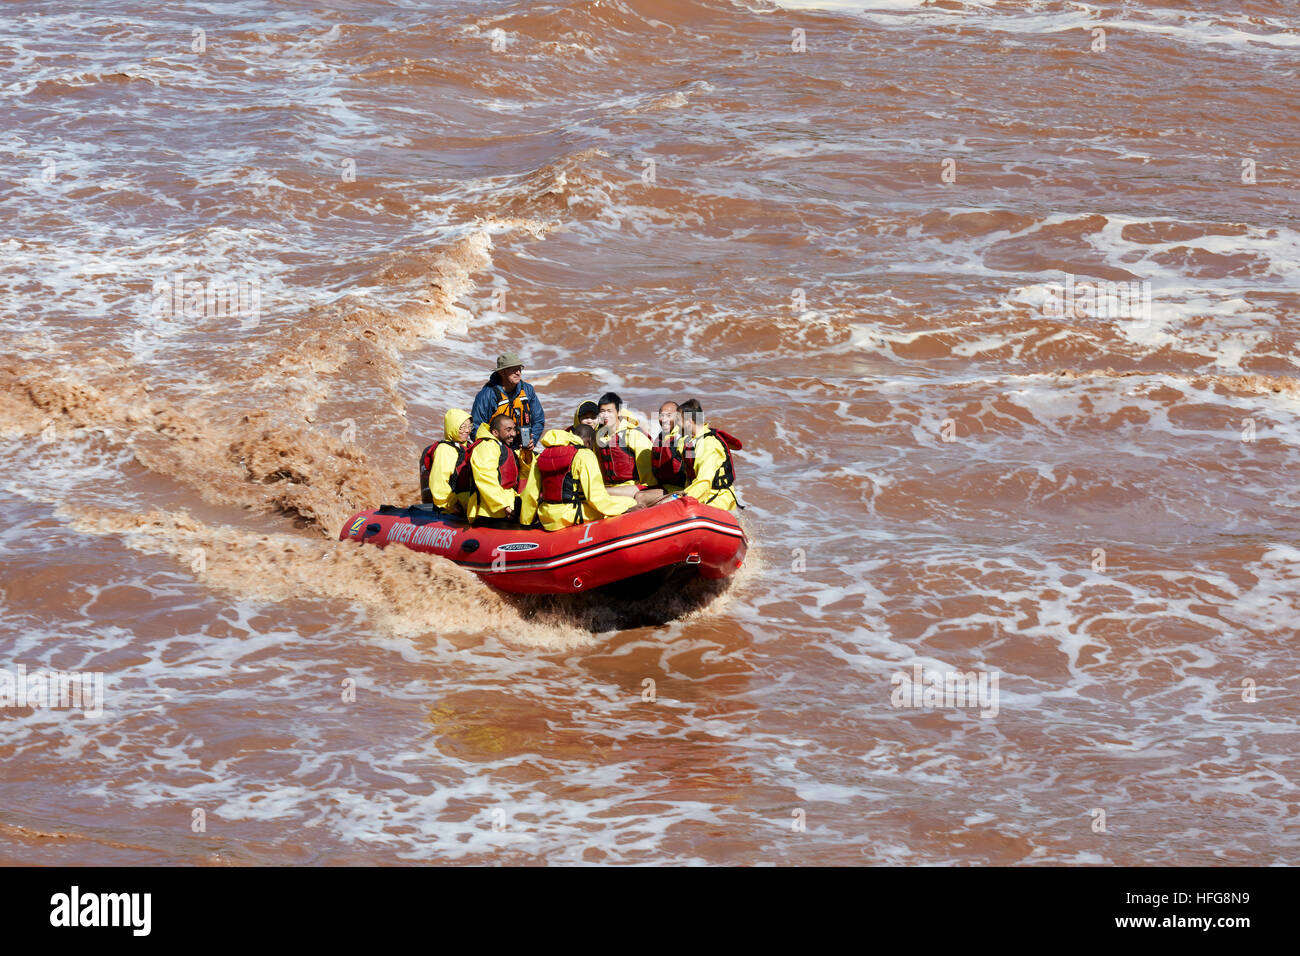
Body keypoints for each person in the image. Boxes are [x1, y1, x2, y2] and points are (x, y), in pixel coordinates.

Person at [519, 424, 638, 531]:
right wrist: (622, 509)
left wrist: (525, 522)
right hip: (570, 516)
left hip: (546, 517)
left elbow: (530, 493)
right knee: (629, 502)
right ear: (589, 441)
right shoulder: (584, 454)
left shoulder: (542, 455)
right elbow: (596, 497)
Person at [594, 391, 659, 506]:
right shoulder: (599, 437)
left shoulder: (633, 435)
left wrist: (649, 493)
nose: (605, 415)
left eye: (609, 411)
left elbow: (649, 474)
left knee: (599, 493)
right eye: (602, 411)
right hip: (611, 487)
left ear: (618, 412)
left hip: (635, 486)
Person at [471, 353, 544, 454]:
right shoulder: (486, 395)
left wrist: (533, 440)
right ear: (501, 372)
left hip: (522, 447)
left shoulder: (528, 390)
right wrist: (490, 450)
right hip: (496, 450)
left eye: (520, 369)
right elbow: (476, 428)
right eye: (513, 369)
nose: (518, 373)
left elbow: (539, 420)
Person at [457, 414, 522, 524]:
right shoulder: (486, 446)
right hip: (489, 512)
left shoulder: (501, 446)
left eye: (514, 429)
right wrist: (503, 505)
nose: (514, 434)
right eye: (508, 430)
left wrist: (527, 453)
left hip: (506, 506)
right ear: (495, 432)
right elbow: (485, 477)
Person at [677, 398, 741, 511]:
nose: (676, 425)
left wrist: (679, 501)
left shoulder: (708, 443)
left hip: (717, 501)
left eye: (678, 420)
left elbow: (704, 481)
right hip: (703, 497)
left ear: (688, 422)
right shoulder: (691, 440)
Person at [419, 408, 472, 512]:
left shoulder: (470, 447)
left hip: (469, 504)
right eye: (462, 427)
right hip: (451, 508)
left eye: (469, 426)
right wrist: (451, 505)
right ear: (453, 427)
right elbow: (439, 481)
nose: (467, 430)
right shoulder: (445, 449)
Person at [651, 400, 687, 493]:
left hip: (681, 489)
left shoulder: (683, 438)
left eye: (669, 416)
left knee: (640, 497)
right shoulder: (661, 437)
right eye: (661, 416)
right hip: (663, 486)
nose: (663, 420)